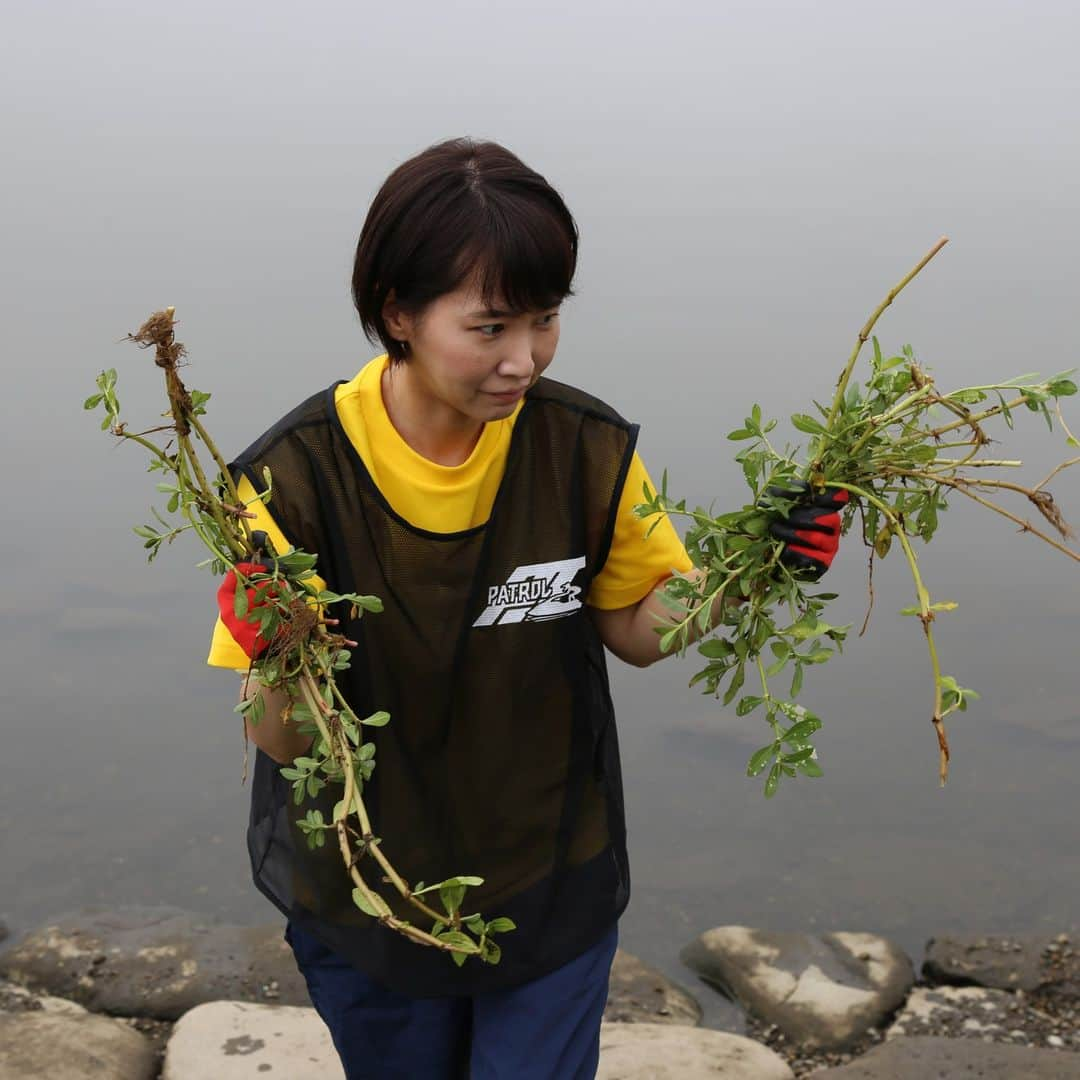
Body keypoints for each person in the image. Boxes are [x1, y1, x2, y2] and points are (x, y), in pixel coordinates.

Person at [207, 137, 845, 1080]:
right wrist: (273, 647)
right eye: (491, 327)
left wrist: (756, 568)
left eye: (546, 320)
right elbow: (284, 743)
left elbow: (635, 629)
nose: (524, 360)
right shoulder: (291, 480)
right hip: (372, 884)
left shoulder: (579, 446)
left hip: (548, 864)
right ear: (399, 314)